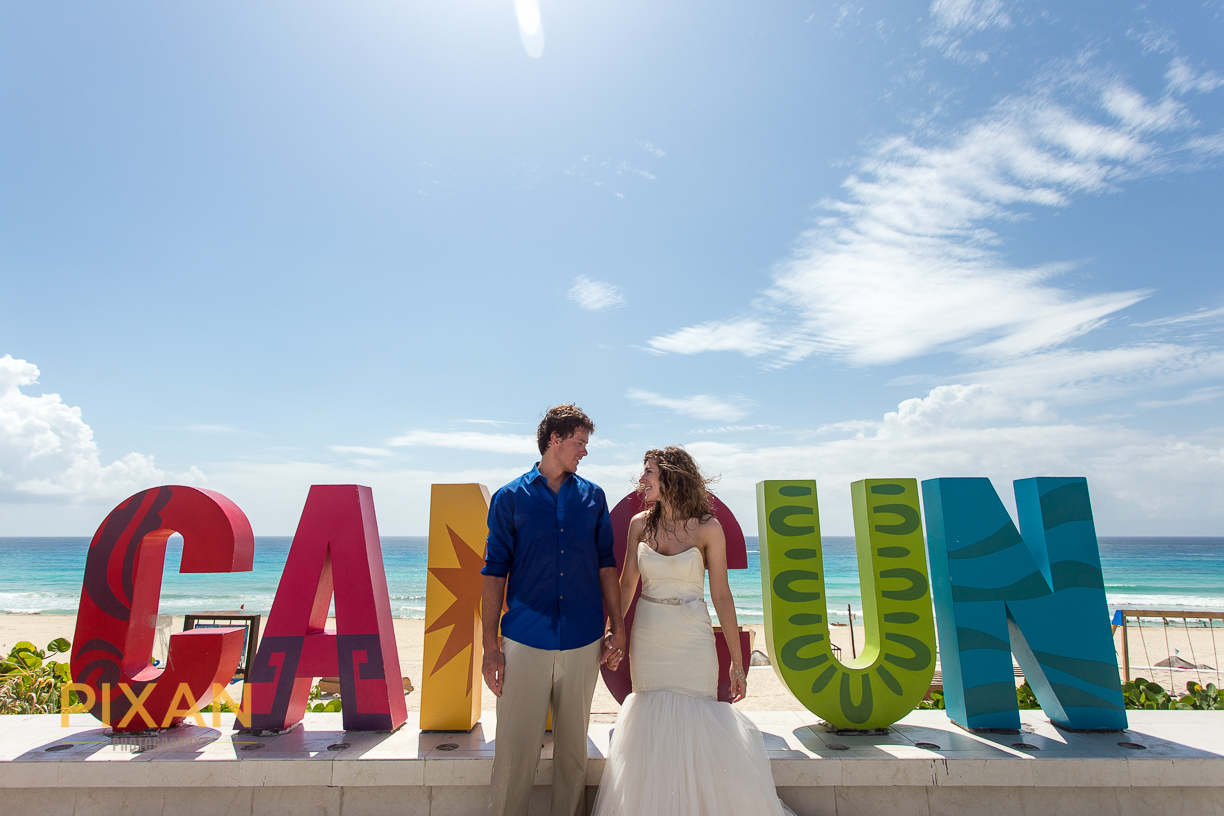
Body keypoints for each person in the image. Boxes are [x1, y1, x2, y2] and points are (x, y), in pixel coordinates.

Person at [592, 446, 796, 816]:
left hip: (693, 638)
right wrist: (613, 632)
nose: (642, 480)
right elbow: (625, 586)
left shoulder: (708, 527)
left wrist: (737, 661)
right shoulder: (639, 524)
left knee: (697, 721)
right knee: (651, 725)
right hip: (650, 636)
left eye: (649, 472)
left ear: (670, 475)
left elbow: (721, 594)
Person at [481, 404, 627, 816]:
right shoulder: (510, 497)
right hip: (525, 639)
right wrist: (490, 647)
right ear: (554, 440)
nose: (584, 452)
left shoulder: (593, 497)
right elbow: (493, 572)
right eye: (579, 443)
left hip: (583, 638)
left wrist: (617, 624)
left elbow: (605, 563)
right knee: (514, 750)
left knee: (573, 753)